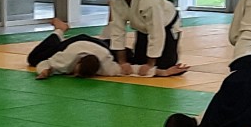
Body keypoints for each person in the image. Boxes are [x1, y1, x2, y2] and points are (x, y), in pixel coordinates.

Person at [27, 18, 182, 79]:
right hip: (78, 43)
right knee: (34, 59)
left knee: (33, 59)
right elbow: (45, 64)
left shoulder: (106, 67)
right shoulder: (66, 58)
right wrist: (45, 70)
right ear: (78, 62)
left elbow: (134, 70)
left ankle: (61, 28)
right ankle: (61, 30)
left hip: (102, 48)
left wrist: (165, 72)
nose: (73, 73)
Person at [100, 0, 182, 75]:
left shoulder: (149, 1)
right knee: (139, 63)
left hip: (167, 25)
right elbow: (117, 31)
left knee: (164, 65)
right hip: (142, 28)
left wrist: (150, 64)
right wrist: (122, 62)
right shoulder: (115, 1)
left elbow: (157, 32)